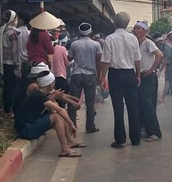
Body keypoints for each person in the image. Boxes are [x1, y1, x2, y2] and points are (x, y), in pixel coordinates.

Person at [14, 71, 85, 158]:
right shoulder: (38, 95)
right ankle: (65, 149)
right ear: (50, 83)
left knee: (59, 115)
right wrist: (71, 124)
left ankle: (70, 141)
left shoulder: (43, 94)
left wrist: (70, 100)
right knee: (57, 117)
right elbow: (59, 109)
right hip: (26, 129)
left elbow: (58, 101)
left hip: (30, 124)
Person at [100, 12, 142, 148]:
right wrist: (138, 75)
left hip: (115, 75)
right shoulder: (133, 38)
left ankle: (120, 139)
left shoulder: (109, 39)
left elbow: (106, 61)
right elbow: (137, 59)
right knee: (133, 107)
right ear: (127, 24)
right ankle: (135, 139)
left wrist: (102, 77)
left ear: (114, 23)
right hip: (130, 74)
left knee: (118, 108)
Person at [68, 22, 102, 133]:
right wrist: (98, 74)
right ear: (90, 32)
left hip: (77, 74)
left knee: (73, 101)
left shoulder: (74, 44)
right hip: (90, 75)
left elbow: (69, 58)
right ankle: (90, 126)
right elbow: (99, 61)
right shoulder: (96, 45)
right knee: (90, 102)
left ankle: (72, 126)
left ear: (79, 32)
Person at [133, 21, 163, 142]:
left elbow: (159, 55)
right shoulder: (136, 43)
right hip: (139, 76)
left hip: (147, 76)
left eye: (138, 28)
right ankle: (144, 127)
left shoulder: (148, 43)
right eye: (135, 28)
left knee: (148, 104)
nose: (136, 30)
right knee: (140, 103)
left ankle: (155, 131)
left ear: (145, 31)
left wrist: (152, 69)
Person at [0, 10, 21, 116]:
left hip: (4, 63)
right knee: (12, 87)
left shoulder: (2, 31)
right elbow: (15, 52)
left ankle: (6, 108)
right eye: (16, 18)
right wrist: (18, 66)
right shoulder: (13, 33)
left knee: (7, 86)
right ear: (13, 20)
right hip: (11, 63)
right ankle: (10, 109)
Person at [13, 11, 32, 113]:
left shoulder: (15, 32)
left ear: (21, 20)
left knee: (17, 87)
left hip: (16, 63)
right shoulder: (29, 34)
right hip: (27, 63)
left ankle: (15, 109)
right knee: (25, 87)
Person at [51, 33, 71, 108]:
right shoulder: (63, 49)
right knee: (62, 94)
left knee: (56, 94)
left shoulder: (54, 48)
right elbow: (68, 62)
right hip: (61, 74)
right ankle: (61, 110)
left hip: (53, 75)